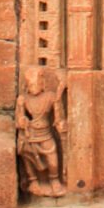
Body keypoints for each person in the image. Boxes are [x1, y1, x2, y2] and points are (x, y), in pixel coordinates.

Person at [15, 65, 68, 197]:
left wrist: (60, 121)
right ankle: (33, 181)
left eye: (36, 83)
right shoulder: (23, 99)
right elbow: (19, 118)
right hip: (30, 134)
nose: (34, 86)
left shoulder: (50, 97)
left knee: (52, 158)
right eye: (31, 84)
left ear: (42, 83)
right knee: (27, 156)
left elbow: (58, 115)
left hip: (45, 134)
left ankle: (54, 180)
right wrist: (21, 120)